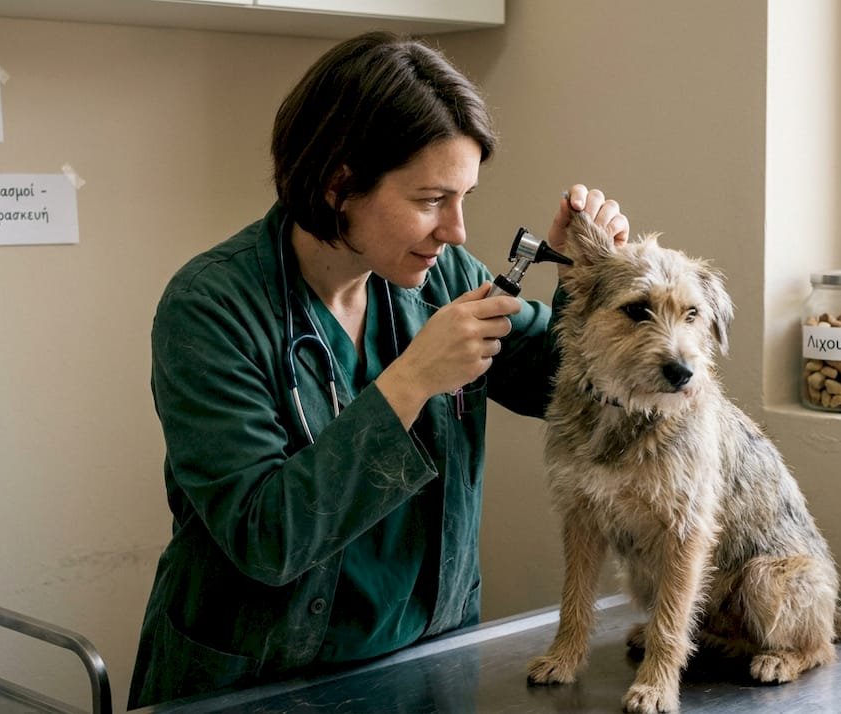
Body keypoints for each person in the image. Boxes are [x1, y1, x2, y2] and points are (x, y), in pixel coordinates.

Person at [127, 31, 630, 707]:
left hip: (425, 664)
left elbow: (567, 387)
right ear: (339, 183)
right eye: (430, 200)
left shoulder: (444, 275)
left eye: (464, 198)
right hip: (257, 682)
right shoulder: (211, 309)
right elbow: (265, 539)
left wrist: (590, 291)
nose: (455, 230)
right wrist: (410, 380)